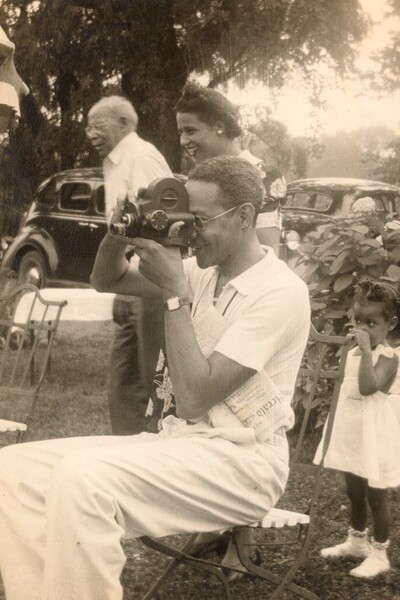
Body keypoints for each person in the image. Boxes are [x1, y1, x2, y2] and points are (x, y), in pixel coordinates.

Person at [0, 156, 310, 600]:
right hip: (179, 444)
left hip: (245, 463)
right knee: (13, 470)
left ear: (244, 217)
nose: (189, 231)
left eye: (200, 219)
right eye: (185, 216)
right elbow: (107, 279)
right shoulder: (202, 269)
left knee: (83, 478)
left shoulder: (281, 292)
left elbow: (193, 397)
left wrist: (173, 296)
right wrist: (119, 231)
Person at [85, 95, 173, 434]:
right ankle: (129, 455)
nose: (89, 132)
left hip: (155, 287)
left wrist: (134, 285)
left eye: (97, 125)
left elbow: (160, 228)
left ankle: (147, 458)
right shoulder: (117, 161)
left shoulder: (140, 157)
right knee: (124, 385)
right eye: (87, 126)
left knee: (149, 385)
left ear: (124, 124)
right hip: (137, 285)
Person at [315, 280, 400, 578]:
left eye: (371, 323)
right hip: (354, 432)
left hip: (376, 435)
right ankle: (356, 541)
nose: (361, 328)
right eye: (357, 320)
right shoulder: (352, 353)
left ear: (390, 324)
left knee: (376, 496)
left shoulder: (389, 357)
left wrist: (366, 353)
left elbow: (367, 387)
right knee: (353, 490)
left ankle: (379, 553)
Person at [176, 81, 287, 254]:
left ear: (219, 127)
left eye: (190, 131)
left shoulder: (262, 175)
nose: (183, 141)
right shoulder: (197, 178)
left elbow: (267, 255)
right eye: (180, 132)